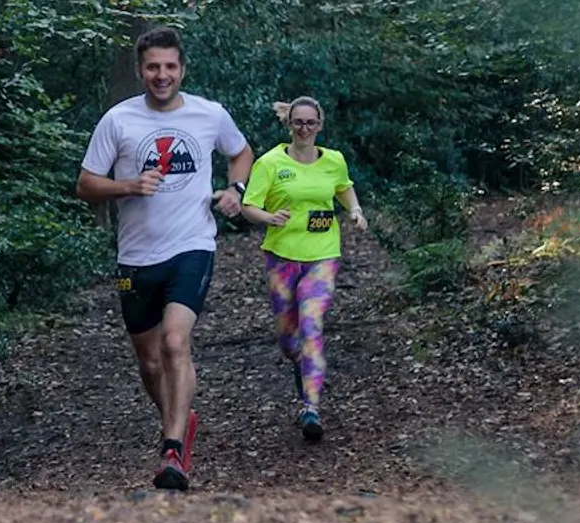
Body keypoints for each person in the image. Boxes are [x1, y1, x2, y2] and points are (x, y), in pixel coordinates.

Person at [77, 27, 253, 492]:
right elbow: (86, 185)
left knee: (176, 343)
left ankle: (172, 449)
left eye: (170, 67)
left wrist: (236, 191)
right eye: (153, 67)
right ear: (140, 71)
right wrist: (128, 186)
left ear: (182, 69)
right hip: (135, 259)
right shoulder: (118, 121)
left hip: (192, 245)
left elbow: (241, 153)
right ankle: (181, 415)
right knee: (150, 363)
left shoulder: (208, 114)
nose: (161, 75)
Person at [239, 97, 366, 444]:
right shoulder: (270, 163)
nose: (305, 129)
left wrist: (355, 210)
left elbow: (343, 188)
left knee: (311, 324)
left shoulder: (333, 160)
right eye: (298, 122)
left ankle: (310, 407)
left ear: (320, 125)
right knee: (289, 338)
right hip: (281, 258)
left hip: (323, 256)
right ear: (289, 124)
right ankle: (302, 365)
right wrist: (268, 217)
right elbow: (249, 206)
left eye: (311, 123)